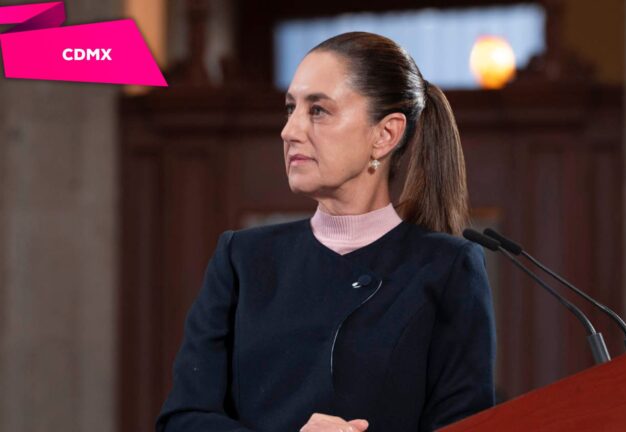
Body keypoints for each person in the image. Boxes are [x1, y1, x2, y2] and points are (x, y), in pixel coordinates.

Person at [155, 31, 497, 432]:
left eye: (318, 110)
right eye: (290, 108)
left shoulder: (447, 266)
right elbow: (183, 420)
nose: (289, 130)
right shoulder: (241, 258)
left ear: (385, 134)